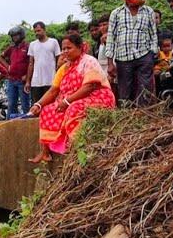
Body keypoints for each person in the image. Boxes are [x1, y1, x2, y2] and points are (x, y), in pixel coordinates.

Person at [28, 34, 116, 163]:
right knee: (47, 110)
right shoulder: (64, 68)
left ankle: (76, 147)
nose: (65, 52)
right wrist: (38, 105)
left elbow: (90, 86)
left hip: (98, 96)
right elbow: (53, 91)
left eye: (68, 48)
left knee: (74, 109)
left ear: (80, 47)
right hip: (71, 99)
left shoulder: (89, 61)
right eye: (63, 49)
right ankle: (45, 152)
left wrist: (67, 101)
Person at [105, 0, 157, 107]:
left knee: (145, 88)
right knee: (124, 90)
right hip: (123, 58)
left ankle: (143, 115)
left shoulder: (149, 11)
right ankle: (126, 117)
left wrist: (152, 54)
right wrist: (110, 63)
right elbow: (111, 37)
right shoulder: (116, 13)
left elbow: (153, 34)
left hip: (144, 55)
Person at [25, 21, 61, 105]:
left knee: (51, 104)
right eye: (35, 31)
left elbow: (59, 61)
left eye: (38, 30)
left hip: (51, 80)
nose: (37, 33)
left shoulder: (53, 42)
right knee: (36, 105)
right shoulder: (32, 45)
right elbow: (31, 63)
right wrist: (28, 81)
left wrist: (58, 77)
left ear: (44, 30)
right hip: (36, 82)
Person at [0, 26, 30, 115]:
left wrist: (27, 76)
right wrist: (8, 67)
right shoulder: (11, 48)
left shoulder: (27, 46)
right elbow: (0, 57)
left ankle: (28, 123)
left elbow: (32, 63)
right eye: (13, 36)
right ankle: (11, 123)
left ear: (21, 35)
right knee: (11, 104)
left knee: (25, 104)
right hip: (11, 80)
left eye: (16, 35)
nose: (14, 37)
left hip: (22, 80)